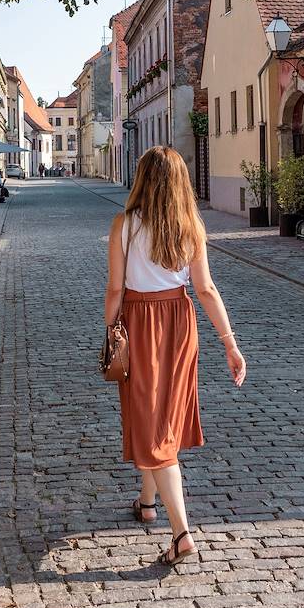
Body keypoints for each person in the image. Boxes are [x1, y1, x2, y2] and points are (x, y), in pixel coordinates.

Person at [104, 146, 245, 567]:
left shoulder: (124, 225)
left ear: (143, 181)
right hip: (180, 325)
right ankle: (147, 502)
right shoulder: (190, 228)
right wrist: (230, 343)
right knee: (159, 417)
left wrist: (111, 332)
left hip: (140, 322)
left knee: (152, 421)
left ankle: (182, 533)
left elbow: (114, 289)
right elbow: (206, 290)